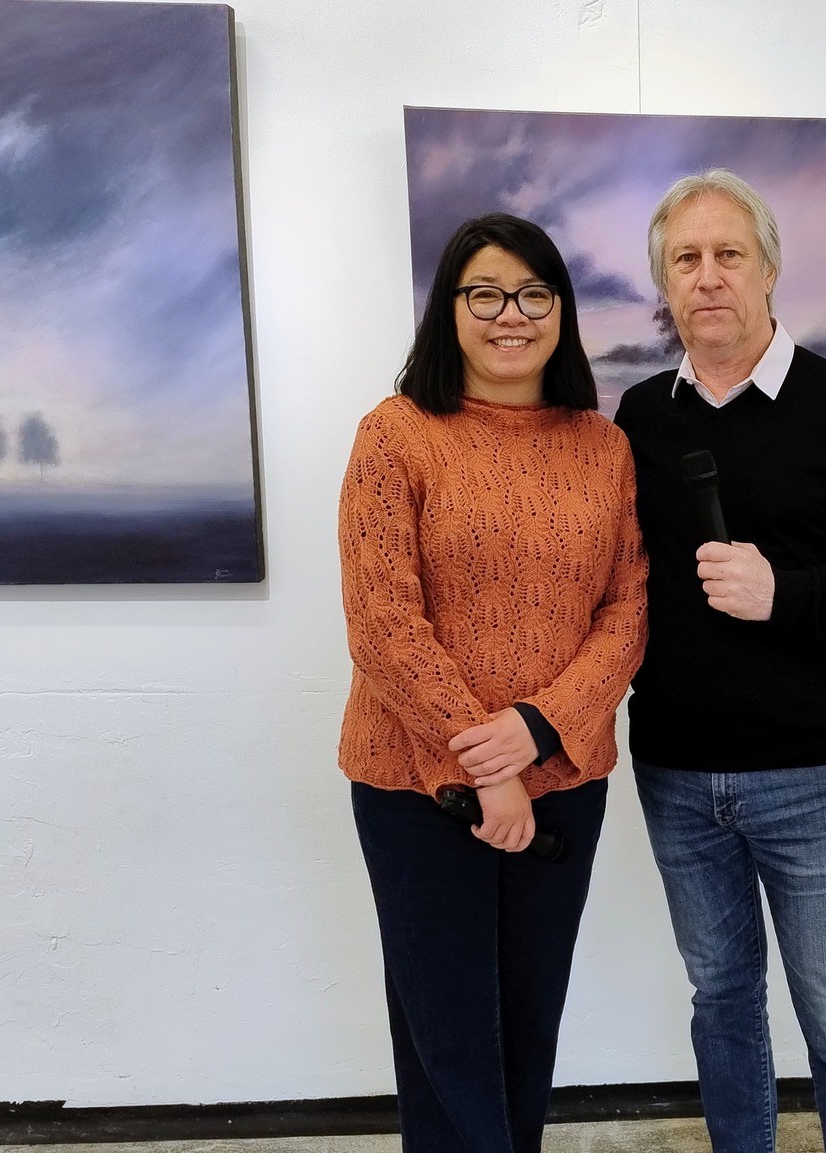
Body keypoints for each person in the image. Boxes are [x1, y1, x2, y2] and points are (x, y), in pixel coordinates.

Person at [614, 169, 826, 1153]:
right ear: (665, 284)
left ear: (768, 269)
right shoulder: (640, 416)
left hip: (807, 773)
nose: (708, 275)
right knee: (721, 1001)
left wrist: (786, 594)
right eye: (686, 259)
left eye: (729, 253)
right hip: (674, 772)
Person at [337, 213, 647, 1153]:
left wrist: (538, 728)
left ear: (561, 311)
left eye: (533, 294)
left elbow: (628, 612)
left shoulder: (603, 446)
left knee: (526, 1030)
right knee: (449, 1043)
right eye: (486, 294)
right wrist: (488, 764)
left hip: (565, 784)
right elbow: (384, 623)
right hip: (416, 789)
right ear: (450, 310)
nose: (511, 314)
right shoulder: (396, 435)